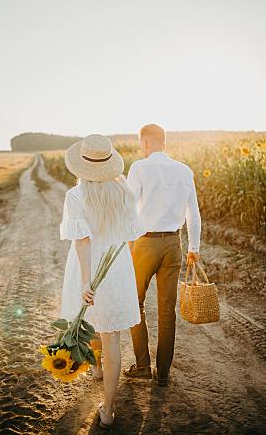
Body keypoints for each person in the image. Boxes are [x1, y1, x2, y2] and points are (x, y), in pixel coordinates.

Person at [59, 134, 145, 428]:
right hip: (117, 267)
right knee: (112, 338)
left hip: (88, 266)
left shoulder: (75, 195)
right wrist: (123, 270)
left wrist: (86, 282)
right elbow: (131, 239)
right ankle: (108, 409)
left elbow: (82, 242)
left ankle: (96, 369)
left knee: (90, 320)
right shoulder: (125, 193)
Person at [123, 123, 201, 386]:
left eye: (140, 143)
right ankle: (164, 372)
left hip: (146, 243)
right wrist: (194, 248)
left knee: (135, 304)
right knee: (167, 310)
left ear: (145, 143)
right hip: (173, 244)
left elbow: (128, 209)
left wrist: (129, 243)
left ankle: (143, 365)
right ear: (163, 143)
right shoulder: (184, 170)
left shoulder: (139, 168)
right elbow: (194, 213)